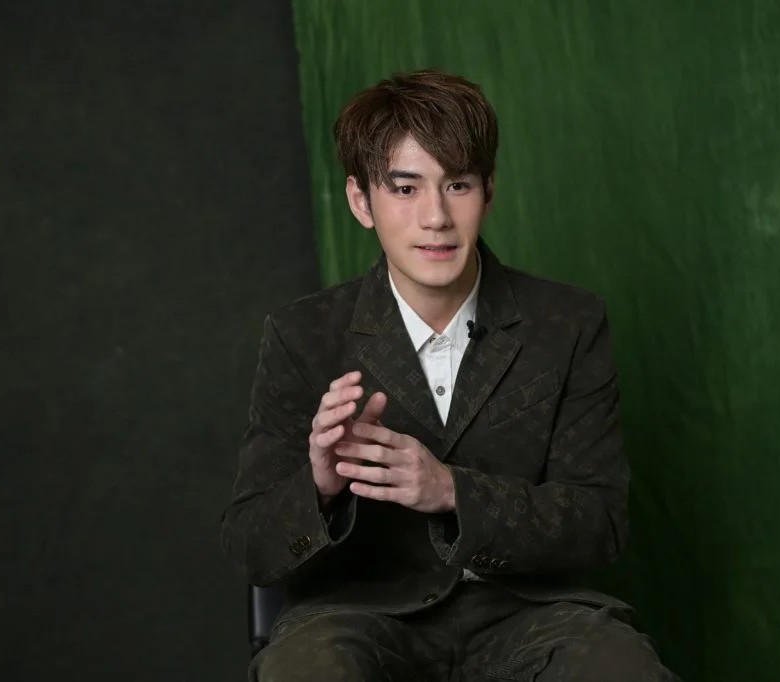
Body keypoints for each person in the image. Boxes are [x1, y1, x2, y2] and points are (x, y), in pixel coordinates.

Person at [221, 68, 677, 682]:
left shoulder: (568, 323)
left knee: (620, 669)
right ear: (361, 201)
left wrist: (452, 491)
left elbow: (602, 524)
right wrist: (320, 486)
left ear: (488, 191)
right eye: (405, 188)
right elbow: (250, 548)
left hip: (527, 612)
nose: (435, 216)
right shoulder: (302, 335)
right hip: (359, 617)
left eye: (456, 184)